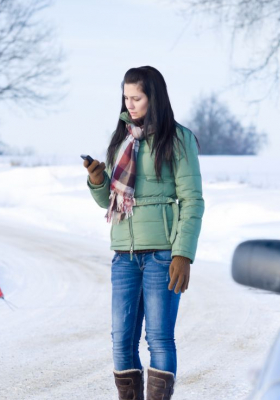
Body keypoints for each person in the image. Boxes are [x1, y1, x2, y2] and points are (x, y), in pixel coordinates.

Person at [84, 66, 204, 400]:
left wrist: (183, 254)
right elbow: (110, 197)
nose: (130, 104)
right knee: (121, 339)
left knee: (159, 337)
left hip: (162, 253)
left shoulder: (179, 139)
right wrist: (97, 181)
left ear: (154, 97)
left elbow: (192, 200)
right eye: (126, 97)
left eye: (136, 97)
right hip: (123, 254)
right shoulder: (122, 138)